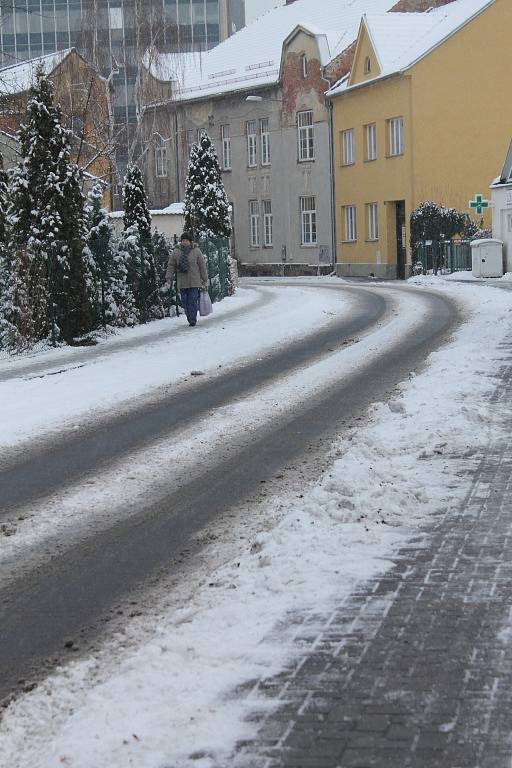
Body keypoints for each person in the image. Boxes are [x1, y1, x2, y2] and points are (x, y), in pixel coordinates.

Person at [165, 232, 208, 326]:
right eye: (183, 240)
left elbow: (202, 265)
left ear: (190, 241)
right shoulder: (176, 252)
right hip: (182, 281)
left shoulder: (196, 251)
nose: (184, 242)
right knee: (184, 301)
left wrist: (204, 278)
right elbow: (171, 265)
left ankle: (192, 320)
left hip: (194, 281)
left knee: (192, 301)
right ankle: (189, 316)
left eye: (186, 240)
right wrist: (169, 276)